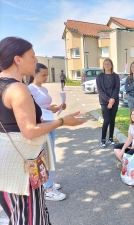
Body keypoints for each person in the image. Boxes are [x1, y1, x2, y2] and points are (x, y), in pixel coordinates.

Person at [0, 37, 86, 224]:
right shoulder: (18, 88)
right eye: (32, 56)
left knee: (17, 213)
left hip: (6, 165)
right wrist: (63, 121)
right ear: (17, 59)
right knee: (30, 216)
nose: (36, 60)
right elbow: (29, 131)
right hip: (22, 166)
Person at [28, 63, 67, 201]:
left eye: (47, 75)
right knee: (48, 156)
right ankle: (48, 189)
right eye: (43, 75)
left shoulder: (43, 89)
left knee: (50, 154)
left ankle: (48, 182)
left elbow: (46, 107)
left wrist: (57, 107)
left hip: (51, 123)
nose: (46, 77)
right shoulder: (30, 89)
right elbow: (30, 110)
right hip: (42, 125)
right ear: (35, 74)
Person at [96, 58, 120, 148]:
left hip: (114, 101)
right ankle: (103, 139)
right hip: (104, 101)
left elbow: (116, 89)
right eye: (105, 64)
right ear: (103, 65)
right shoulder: (99, 76)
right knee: (107, 120)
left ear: (111, 65)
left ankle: (111, 138)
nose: (107, 65)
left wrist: (112, 99)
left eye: (108, 64)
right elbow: (100, 90)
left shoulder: (116, 76)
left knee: (112, 119)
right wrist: (108, 100)